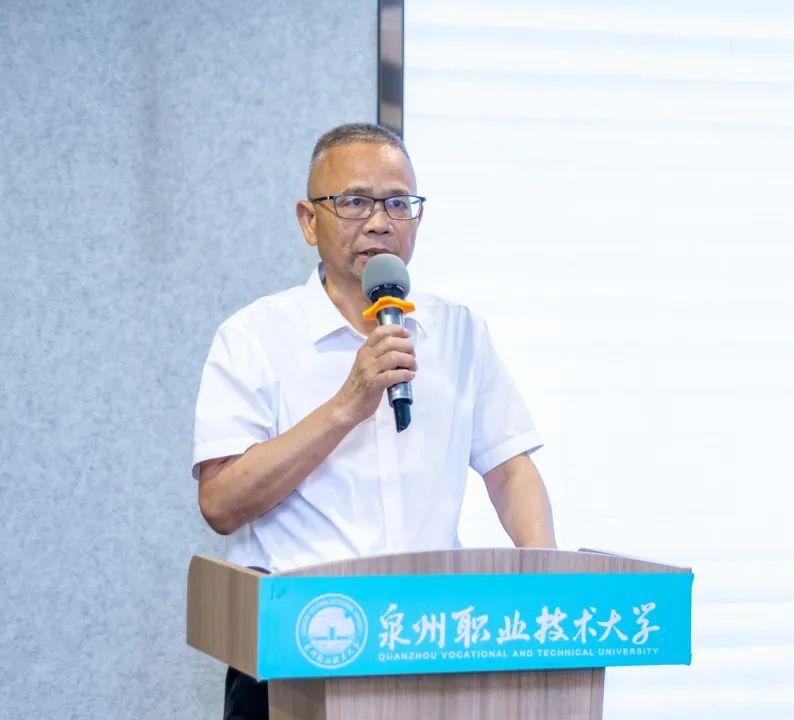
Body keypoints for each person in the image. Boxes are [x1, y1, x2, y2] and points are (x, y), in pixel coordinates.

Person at [191, 123, 556, 719]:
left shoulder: (459, 331)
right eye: (355, 202)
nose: (380, 222)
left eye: (398, 203)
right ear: (308, 220)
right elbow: (221, 504)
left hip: (431, 646)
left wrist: (548, 581)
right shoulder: (253, 337)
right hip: (299, 648)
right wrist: (346, 405)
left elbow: (510, 469)